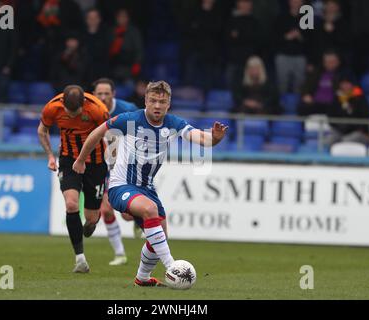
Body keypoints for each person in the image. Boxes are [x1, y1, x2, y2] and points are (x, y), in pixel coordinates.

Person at [72, 81, 228, 286]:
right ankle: (173, 267)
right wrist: (81, 160)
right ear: (146, 100)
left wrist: (214, 139)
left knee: (159, 236)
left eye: (162, 102)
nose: (157, 105)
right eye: (153, 100)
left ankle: (142, 278)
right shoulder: (130, 119)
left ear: (168, 104)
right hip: (121, 186)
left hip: (147, 189)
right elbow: (97, 132)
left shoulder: (173, 123)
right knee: (150, 209)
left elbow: (200, 137)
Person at [37, 85, 109, 273]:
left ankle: (92, 221)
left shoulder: (98, 109)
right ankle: (80, 259)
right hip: (69, 160)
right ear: (63, 103)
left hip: (96, 162)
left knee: (90, 217)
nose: (72, 117)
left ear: (84, 103)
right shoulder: (52, 107)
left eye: (76, 113)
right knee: (71, 205)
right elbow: (42, 130)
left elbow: (112, 135)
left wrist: (113, 159)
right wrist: (50, 156)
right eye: (69, 113)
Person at [92, 77, 139, 265]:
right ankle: (120, 253)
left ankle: (137, 218)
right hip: (103, 166)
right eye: (99, 94)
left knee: (127, 215)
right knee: (106, 210)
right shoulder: (90, 112)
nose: (103, 97)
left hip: (126, 165)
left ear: (114, 94)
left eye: (106, 93)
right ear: (94, 95)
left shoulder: (128, 109)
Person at [325, 75, 369, 146]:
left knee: (346, 141)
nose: (345, 86)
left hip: (358, 132)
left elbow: (365, 117)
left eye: (347, 83)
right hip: (340, 131)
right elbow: (330, 117)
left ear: (352, 84)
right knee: (329, 140)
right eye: (343, 83)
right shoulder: (336, 98)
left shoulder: (360, 98)